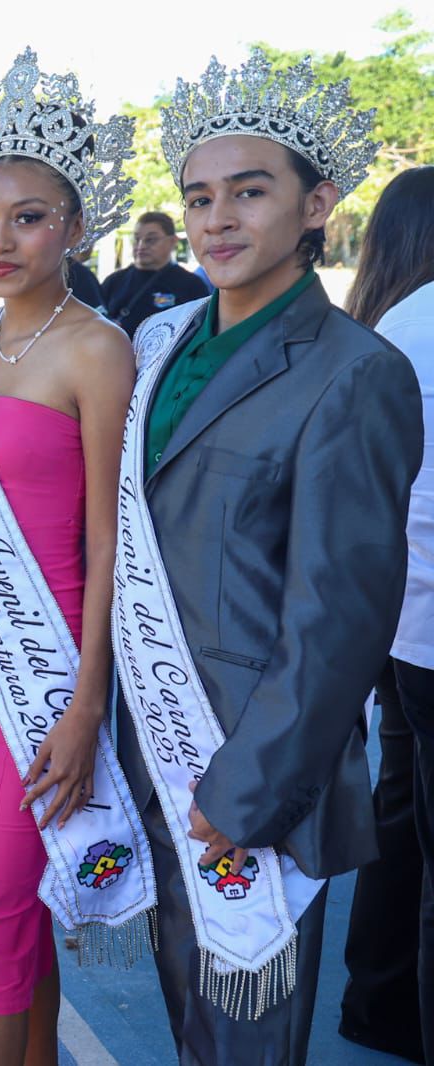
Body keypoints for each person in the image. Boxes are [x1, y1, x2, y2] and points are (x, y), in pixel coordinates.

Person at [111, 52, 422, 1064]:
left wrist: (247, 788)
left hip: (252, 777)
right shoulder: (158, 344)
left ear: (316, 203)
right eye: (199, 196)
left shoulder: (356, 372)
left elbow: (341, 616)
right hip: (147, 747)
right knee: (186, 1021)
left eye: (250, 191)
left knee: (245, 1043)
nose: (216, 219)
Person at [0, 50, 154, 1066]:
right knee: (12, 901)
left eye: (26, 216)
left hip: (42, 666)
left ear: (76, 224)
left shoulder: (97, 348)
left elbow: (112, 535)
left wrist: (87, 699)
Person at [339, 164, 434, 1064]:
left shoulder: (384, 326)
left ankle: (376, 1001)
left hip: (396, 620)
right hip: (418, 619)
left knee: (400, 811)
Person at [100, 211, 209, 338]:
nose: (141, 245)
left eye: (150, 240)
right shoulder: (114, 281)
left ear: (172, 241)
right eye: (136, 239)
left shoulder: (191, 284)